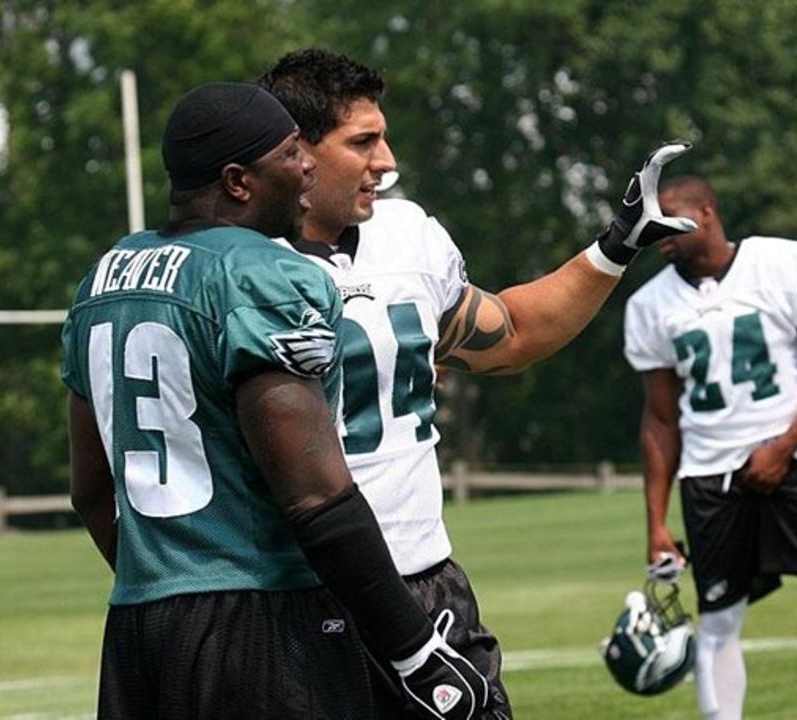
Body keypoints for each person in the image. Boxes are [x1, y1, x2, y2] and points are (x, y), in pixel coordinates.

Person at [259, 49, 696, 718]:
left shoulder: (406, 235)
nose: (387, 160)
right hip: (301, 594)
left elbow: (512, 335)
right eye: (364, 142)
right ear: (298, 154)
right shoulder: (240, 266)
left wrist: (616, 244)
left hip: (426, 581)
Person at [61, 82, 488, 720]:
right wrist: (416, 650)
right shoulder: (263, 274)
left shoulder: (105, 277)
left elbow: (92, 490)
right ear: (238, 181)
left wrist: (171, 585)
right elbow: (317, 498)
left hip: (140, 628)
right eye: (291, 154)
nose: (309, 166)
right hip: (263, 625)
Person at [623, 176, 797, 720]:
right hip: (710, 478)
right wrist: (656, 523)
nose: (660, 233)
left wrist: (783, 446)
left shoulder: (785, 262)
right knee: (719, 619)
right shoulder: (648, 305)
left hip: (794, 464)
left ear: (707, 212)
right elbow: (660, 419)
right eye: (653, 225)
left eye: (672, 218)